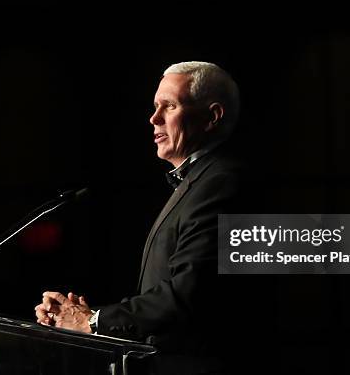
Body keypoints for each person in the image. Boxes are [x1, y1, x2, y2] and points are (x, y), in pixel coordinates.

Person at [35, 61, 243, 373]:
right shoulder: (199, 180)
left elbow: (187, 294)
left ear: (212, 116)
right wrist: (88, 313)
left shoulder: (222, 182)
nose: (154, 118)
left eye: (169, 106)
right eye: (155, 106)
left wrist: (91, 321)